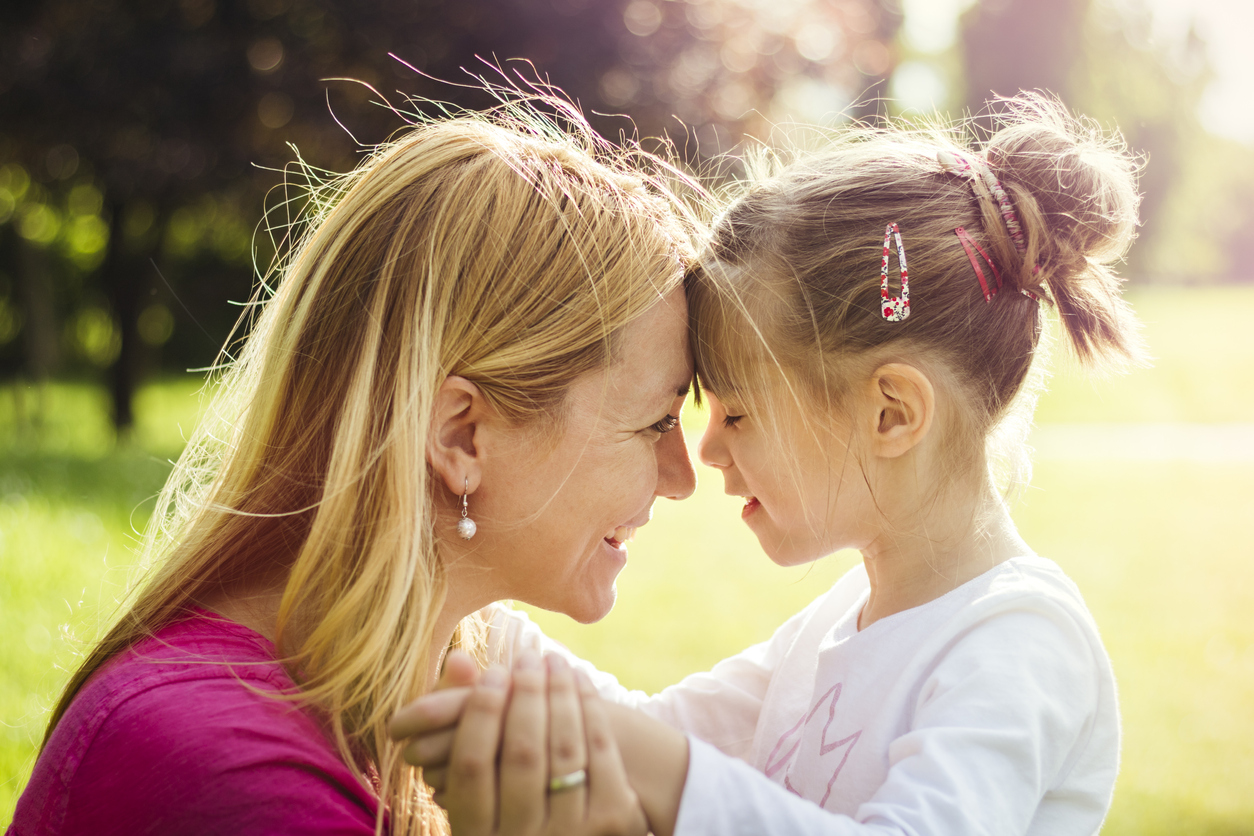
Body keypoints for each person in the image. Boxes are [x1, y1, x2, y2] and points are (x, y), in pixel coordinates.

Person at [394, 93, 1144, 836]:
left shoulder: (1019, 639)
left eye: (738, 415)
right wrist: (465, 605)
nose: (706, 453)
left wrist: (650, 765)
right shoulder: (840, 621)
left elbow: (660, 761)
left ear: (891, 413)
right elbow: (654, 733)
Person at [8, 101, 702, 836]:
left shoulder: (411, 701)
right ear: (461, 436)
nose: (682, 476)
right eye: (656, 421)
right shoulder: (232, 773)